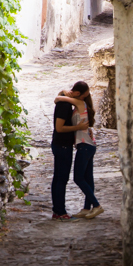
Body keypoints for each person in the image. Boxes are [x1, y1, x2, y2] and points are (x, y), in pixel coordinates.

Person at [54, 81, 104, 220]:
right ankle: (87, 208)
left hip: (85, 146)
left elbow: (58, 99)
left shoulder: (81, 104)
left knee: (78, 178)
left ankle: (97, 205)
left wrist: (64, 93)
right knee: (88, 178)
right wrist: (65, 90)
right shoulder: (81, 104)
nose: (82, 97)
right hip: (88, 145)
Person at [50, 89, 88, 220]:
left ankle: (57, 210)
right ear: (77, 93)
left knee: (58, 179)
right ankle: (60, 212)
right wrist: (78, 127)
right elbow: (59, 128)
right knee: (61, 179)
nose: (83, 100)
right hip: (62, 146)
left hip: (61, 145)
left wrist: (61, 94)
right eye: (84, 96)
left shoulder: (64, 101)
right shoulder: (65, 106)